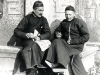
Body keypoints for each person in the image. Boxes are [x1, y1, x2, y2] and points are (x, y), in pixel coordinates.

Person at [45, 5, 89, 75]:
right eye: (66, 14)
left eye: (70, 14)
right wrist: (57, 34)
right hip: (66, 44)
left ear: (74, 14)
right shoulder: (64, 22)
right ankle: (51, 61)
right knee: (56, 41)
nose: (68, 16)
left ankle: (61, 64)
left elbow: (86, 36)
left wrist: (73, 41)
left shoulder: (79, 22)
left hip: (76, 46)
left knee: (71, 53)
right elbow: (57, 30)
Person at [12, 1, 51, 75]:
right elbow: (16, 31)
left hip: (39, 41)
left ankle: (40, 67)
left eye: (42, 10)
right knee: (30, 47)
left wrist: (40, 37)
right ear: (34, 10)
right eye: (39, 10)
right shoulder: (27, 18)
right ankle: (31, 68)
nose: (41, 12)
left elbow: (48, 33)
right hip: (27, 41)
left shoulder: (43, 20)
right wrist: (26, 34)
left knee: (45, 46)